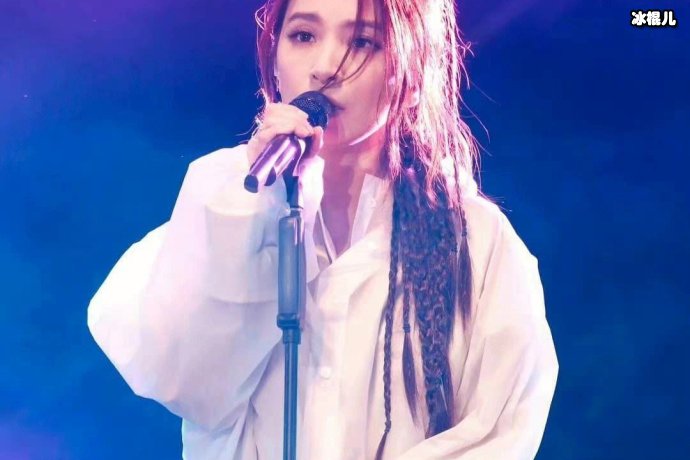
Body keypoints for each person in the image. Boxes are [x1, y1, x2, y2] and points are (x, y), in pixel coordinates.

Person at [87, 0, 559, 458]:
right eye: (303, 35)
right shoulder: (225, 206)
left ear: (413, 74)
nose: (325, 68)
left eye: (362, 42)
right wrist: (257, 211)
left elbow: (497, 432)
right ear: (274, 61)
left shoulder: (475, 242)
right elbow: (189, 383)